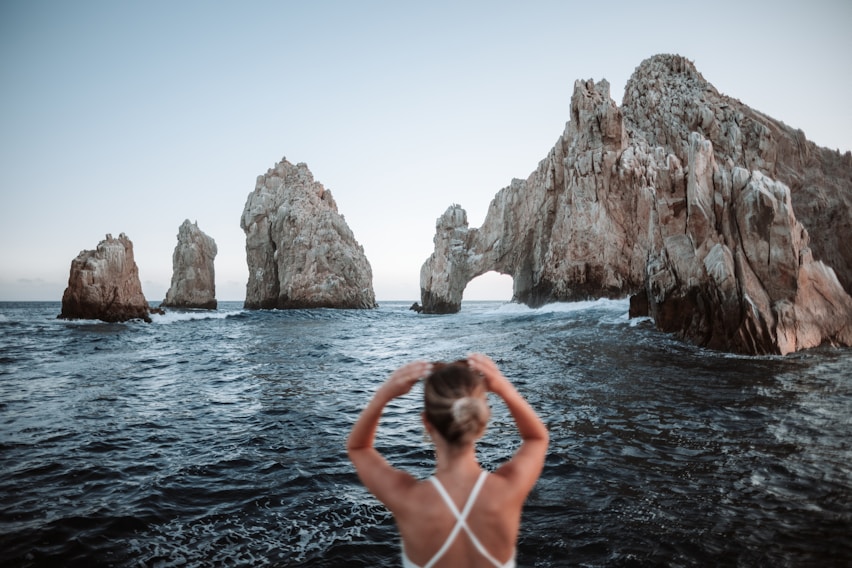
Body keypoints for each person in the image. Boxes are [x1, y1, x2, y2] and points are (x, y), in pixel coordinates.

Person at [347, 352, 549, 568]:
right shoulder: (506, 490)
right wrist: (503, 387)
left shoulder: (408, 498)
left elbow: (358, 448)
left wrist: (384, 395)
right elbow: (537, 438)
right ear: (482, 418)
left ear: (426, 422)